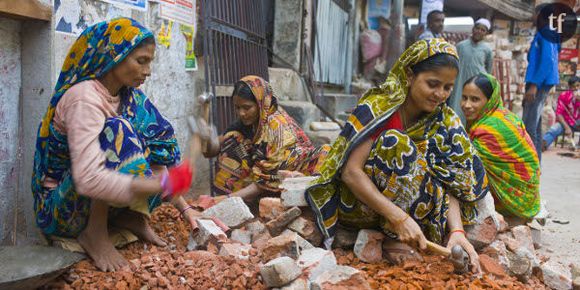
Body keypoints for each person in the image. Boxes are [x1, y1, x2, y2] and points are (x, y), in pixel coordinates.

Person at [305, 39, 487, 273]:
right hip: (364, 207)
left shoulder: (444, 120)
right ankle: (391, 236)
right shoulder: (380, 108)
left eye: (448, 87)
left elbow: (450, 181)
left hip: (415, 217)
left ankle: (409, 235)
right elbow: (351, 172)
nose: (440, 94)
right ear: (410, 75)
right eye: (433, 84)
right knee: (395, 143)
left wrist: (458, 232)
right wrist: (398, 218)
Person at [31, 18, 196, 272]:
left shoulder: (131, 97)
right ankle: (94, 233)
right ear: (114, 57)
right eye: (141, 61)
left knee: (154, 141)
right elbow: (87, 178)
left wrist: (186, 211)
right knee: (118, 130)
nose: (148, 71)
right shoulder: (83, 99)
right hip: (64, 208)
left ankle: (133, 216)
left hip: (107, 199)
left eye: (149, 62)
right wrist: (155, 184)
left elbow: (164, 150)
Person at [203, 76, 330, 202]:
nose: (241, 113)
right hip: (266, 180)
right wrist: (206, 137)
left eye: (247, 108)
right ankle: (234, 203)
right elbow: (213, 150)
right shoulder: (250, 123)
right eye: (237, 108)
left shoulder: (277, 128)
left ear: (261, 104)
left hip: (291, 180)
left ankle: (237, 202)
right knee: (232, 140)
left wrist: (222, 200)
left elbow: (265, 182)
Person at [461, 73, 540, 220]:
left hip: (516, 202)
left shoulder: (489, 129)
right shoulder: (502, 115)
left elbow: (465, 166)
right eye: (464, 97)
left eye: (475, 99)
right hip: (529, 197)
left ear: (490, 100)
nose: (467, 105)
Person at [522, 4, 561, 160]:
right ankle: (535, 162)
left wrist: (534, 85)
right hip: (540, 82)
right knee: (535, 125)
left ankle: (529, 163)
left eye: (534, 13)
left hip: (539, 83)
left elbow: (547, 61)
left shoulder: (546, 33)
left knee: (528, 124)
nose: (532, 16)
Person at [448, 18, 494, 124]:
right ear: (473, 29)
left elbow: (488, 70)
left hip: (477, 86)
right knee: (456, 110)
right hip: (459, 84)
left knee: (473, 112)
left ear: (486, 33)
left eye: (483, 30)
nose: (479, 31)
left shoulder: (487, 50)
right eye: (477, 28)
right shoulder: (460, 46)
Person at [543, 76, 580, 150]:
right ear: (569, 87)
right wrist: (567, 128)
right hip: (566, 122)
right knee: (553, 130)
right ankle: (543, 145)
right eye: (573, 86)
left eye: (578, 86)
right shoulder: (563, 96)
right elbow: (559, 113)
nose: (576, 88)